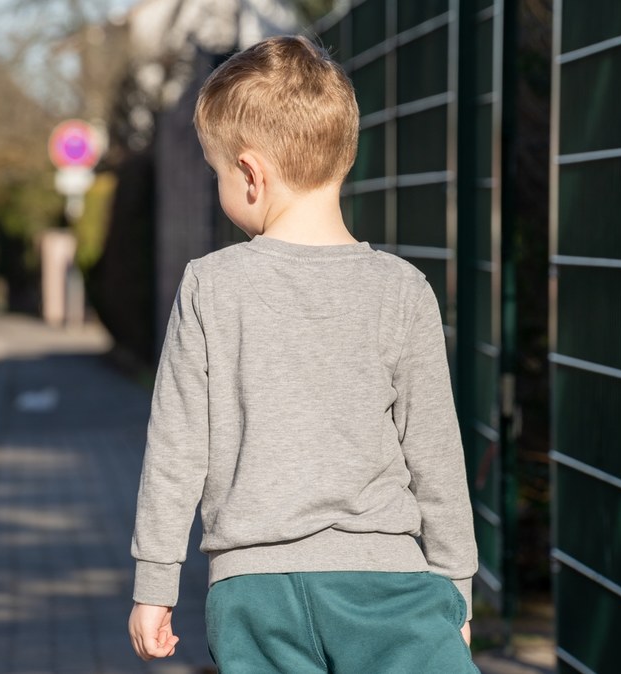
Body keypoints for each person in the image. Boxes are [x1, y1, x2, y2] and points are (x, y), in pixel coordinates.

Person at [127, 35, 479, 672]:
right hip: (389, 587)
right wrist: (456, 587)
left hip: (254, 593)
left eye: (217, 173)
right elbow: (435, 454)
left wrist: (156, 583)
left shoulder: (209, 286)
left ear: (251, 174)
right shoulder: (402, 290)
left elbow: (176, 450)